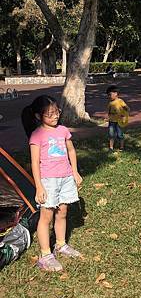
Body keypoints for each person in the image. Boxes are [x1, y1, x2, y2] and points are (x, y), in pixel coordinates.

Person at [21, 95, 82, 272]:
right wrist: (39, 186)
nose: (55, 116)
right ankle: (45, 255)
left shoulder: (63, 130)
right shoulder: (37, 135)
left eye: (57, 112)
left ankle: (61, 244)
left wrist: (75, 172)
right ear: (39, 116)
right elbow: (34, 163)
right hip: (48, 181)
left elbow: (71, 151)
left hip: (65, 178)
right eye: (50, 114)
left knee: (62, 212)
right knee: (46, 217)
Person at [106, 85, 129, 152]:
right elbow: (109, 112)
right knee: (111, 134)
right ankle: (111, 147)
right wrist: (108, 118)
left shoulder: (120, 101)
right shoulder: (110, 103)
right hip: (112, 121)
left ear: (116, 93)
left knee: (120, 134)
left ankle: (121, 147)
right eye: (108, 95)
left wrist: (125, 113)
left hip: (119, 121)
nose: (109, 96)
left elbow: (126, 108)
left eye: (110, 94)